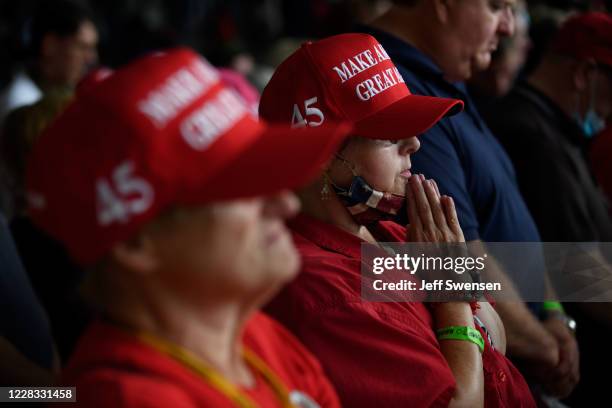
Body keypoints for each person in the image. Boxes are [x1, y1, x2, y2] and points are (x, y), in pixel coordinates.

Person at [28, 47, 352, 407]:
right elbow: (425, 381)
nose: (415, 148)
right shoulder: (322, 283)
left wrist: (426, 265)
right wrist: (427, 276)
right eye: (390, 139)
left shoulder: (256, 334)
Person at [260, 33, 535, 408]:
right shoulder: (321, 292)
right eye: (389, 136)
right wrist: (452, 297)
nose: (415, 144)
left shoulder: (391, 230)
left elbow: (497, 337)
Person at [359, 0, 579, 399]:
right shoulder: (389, 80)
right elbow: (458, 254)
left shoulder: (450, 77)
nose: (509, 28)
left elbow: (510, 221)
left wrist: (554, 312)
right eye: (498, 7)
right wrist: (548, 348)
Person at [484, 12, 612, 405]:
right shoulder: (530, 134)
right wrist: (555, 326)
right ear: (583, 75)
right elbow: (571, 268)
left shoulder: (558, 131)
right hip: (563, 367)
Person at [0, 0, 98, 123]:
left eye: (92, 48)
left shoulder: (67, 97)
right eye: (82, 47)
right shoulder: (20, 105)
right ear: (49, 45)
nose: (91, 58)